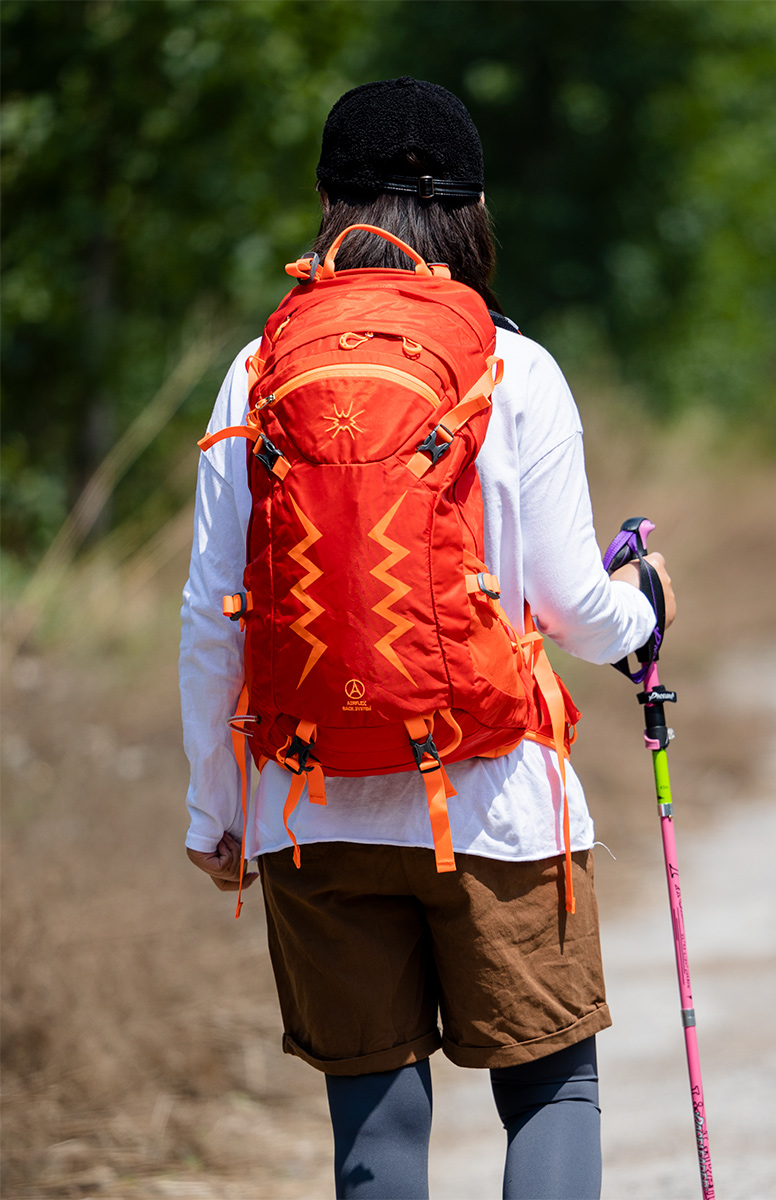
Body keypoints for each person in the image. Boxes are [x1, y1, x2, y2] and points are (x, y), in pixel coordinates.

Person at [179, 77, 676, 1200]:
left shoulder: (257, 372)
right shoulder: (519, 369)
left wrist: (218, 806)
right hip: (496, 799)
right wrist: (642, 614)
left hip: (308, 810)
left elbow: (212, 613)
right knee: (552, 1091)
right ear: (474, 205)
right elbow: (567, 600)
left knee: (376, 1128)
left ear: (325, 199)